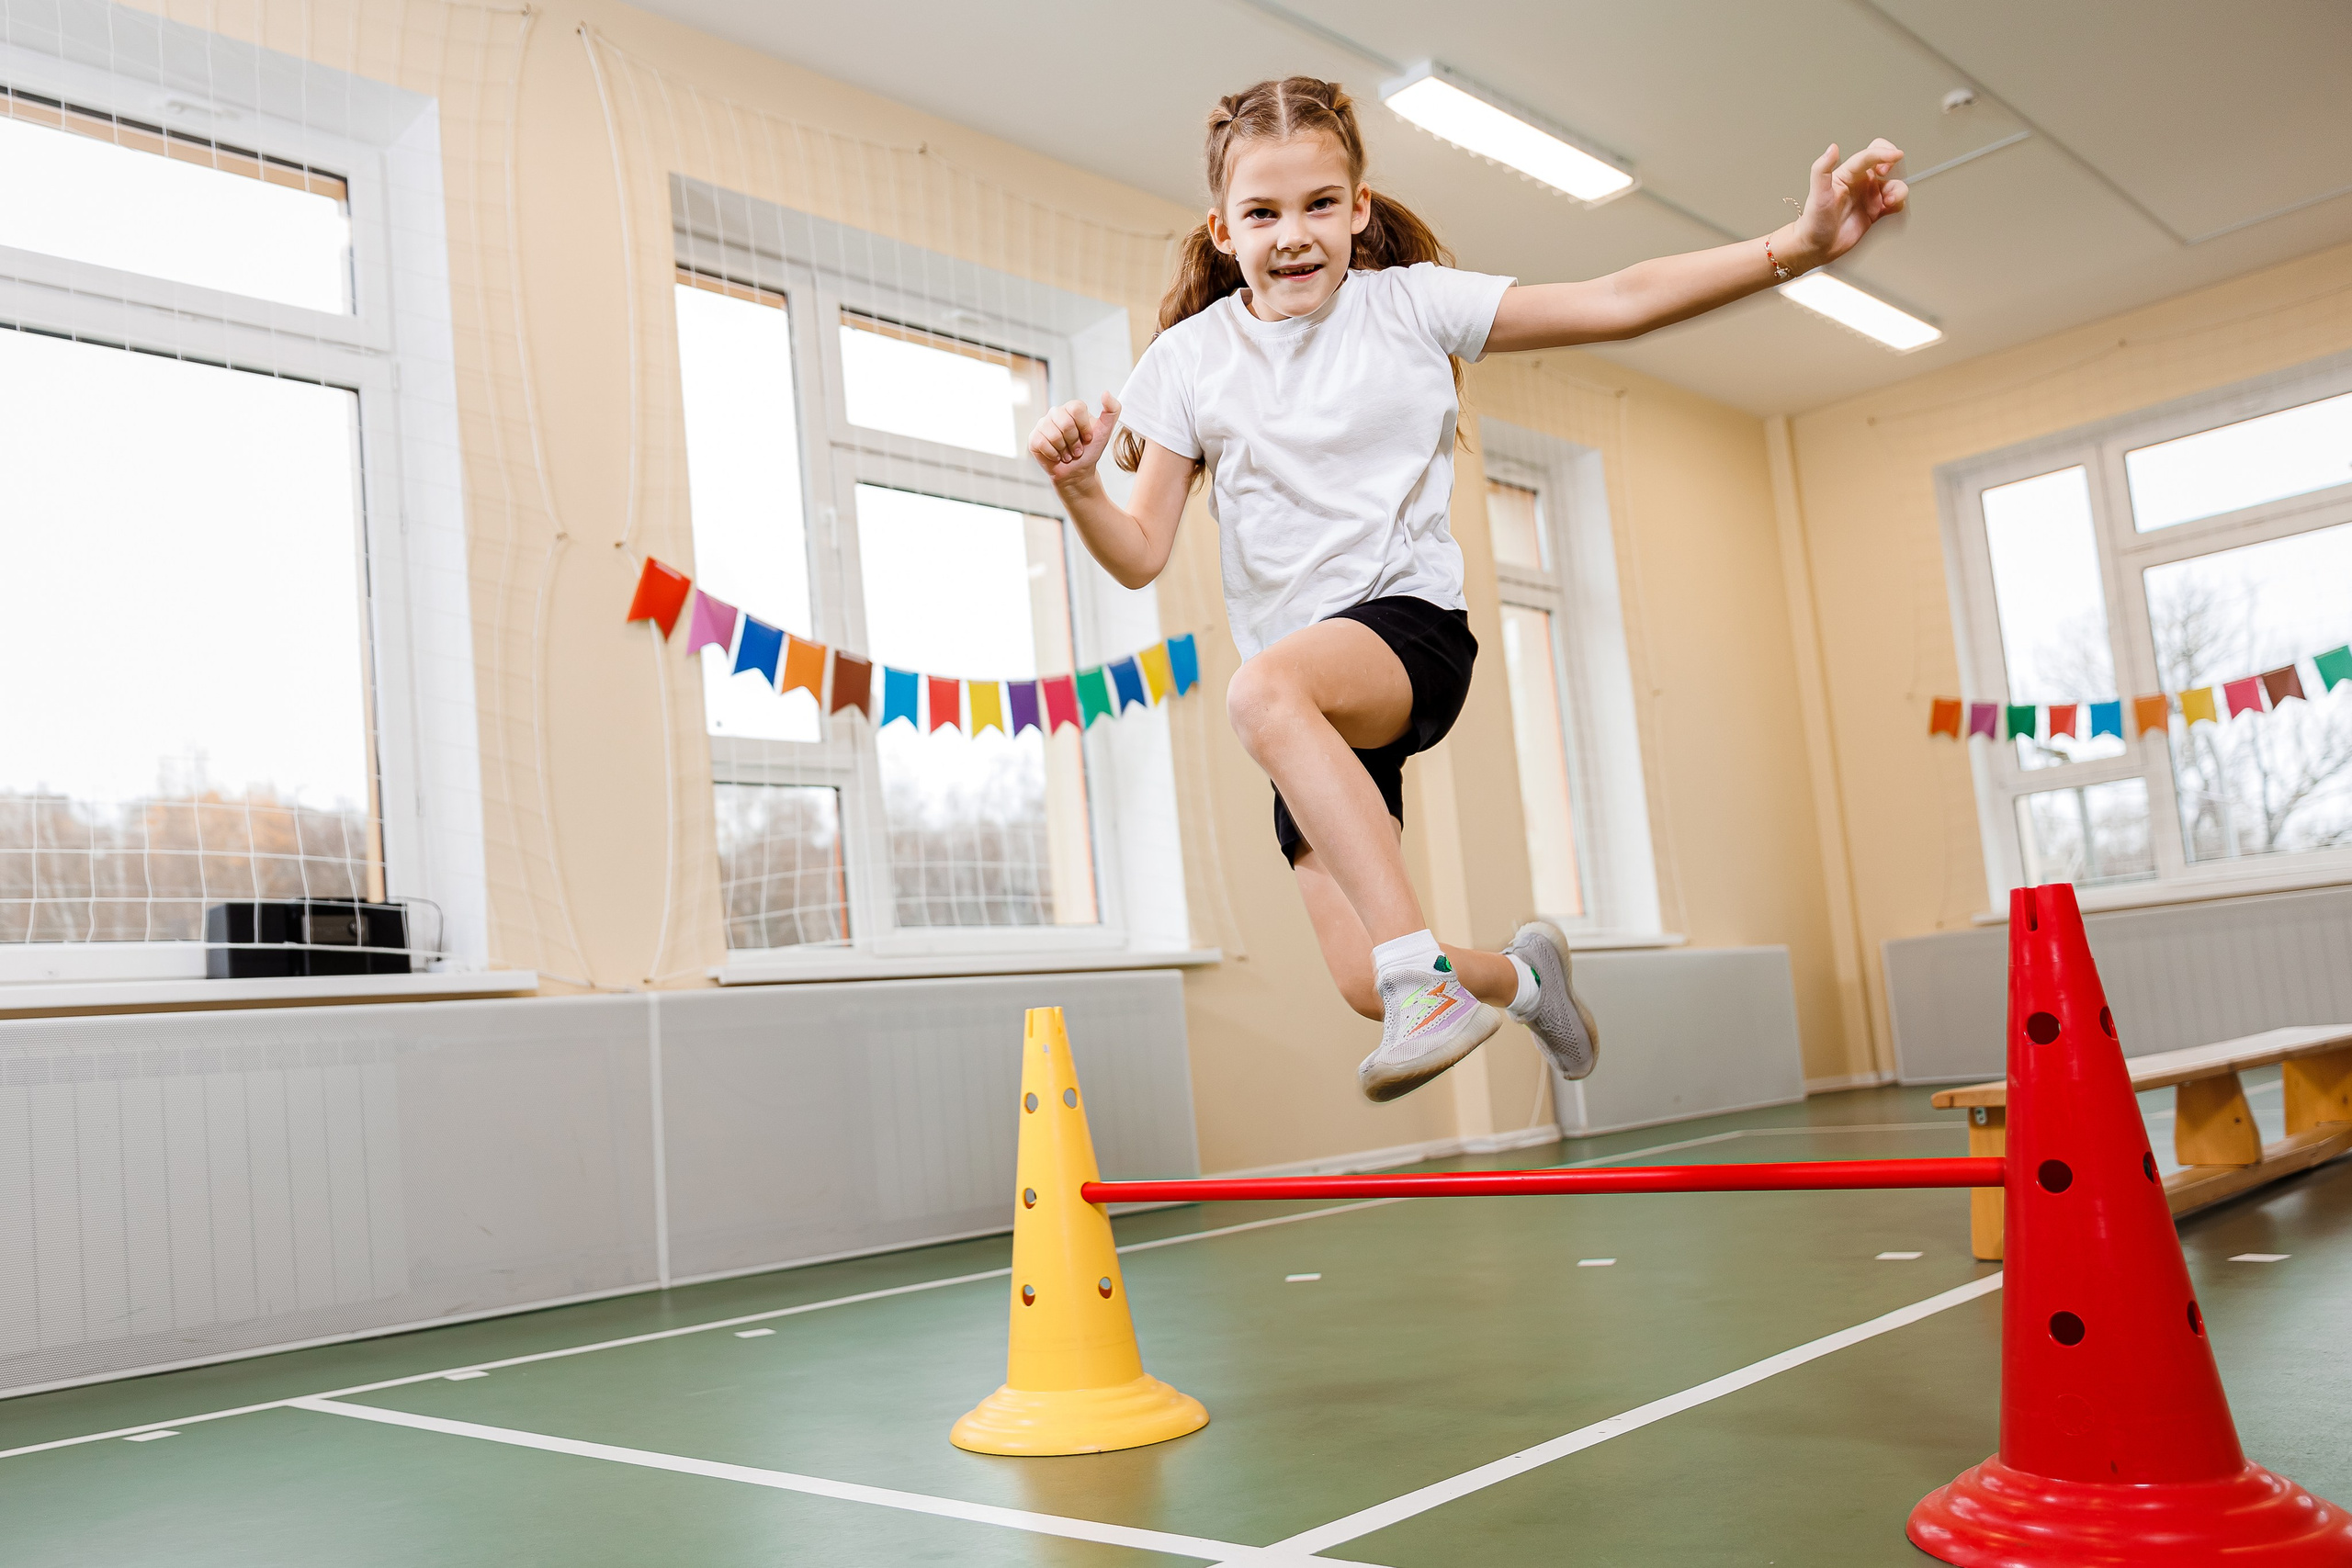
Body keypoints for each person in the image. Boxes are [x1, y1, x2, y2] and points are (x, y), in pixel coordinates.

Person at [1030, 76, 1906, 1103]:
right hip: (1308, 713)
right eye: (1263, 213)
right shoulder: (1185, 362)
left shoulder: (1409, 306)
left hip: (1406, 640)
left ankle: (1424, 983)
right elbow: (1138, 551)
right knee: (1362, 982)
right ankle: (1525, 980)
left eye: (1321, 205)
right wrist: (1082, 485)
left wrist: (1791, 249)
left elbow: (1614, 300)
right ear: (1223, 229)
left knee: (1260, 694)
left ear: (1359, 209)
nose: (1295, 235)